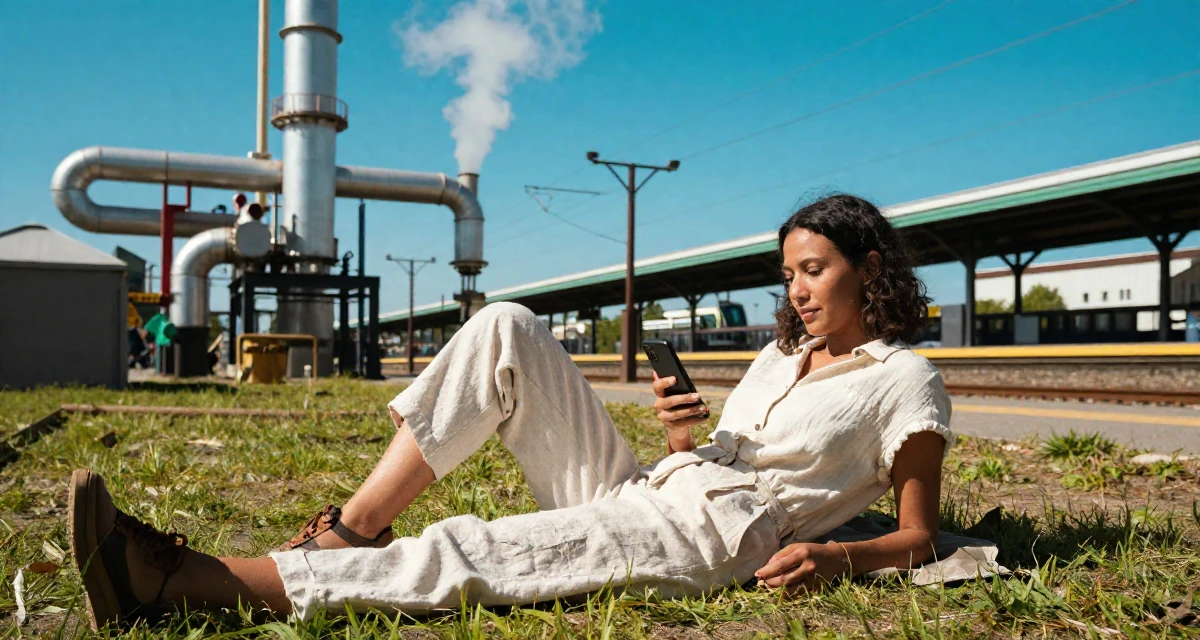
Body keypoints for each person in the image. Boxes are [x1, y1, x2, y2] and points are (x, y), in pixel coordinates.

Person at [68, 194, 952, 630]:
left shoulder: (905, 381)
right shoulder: (780, 355)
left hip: (727, 536)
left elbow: (917, 536)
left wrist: (836, 556)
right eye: (790, 272)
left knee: (477, 547)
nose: (797, 291)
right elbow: (714, 452)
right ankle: (354, 528)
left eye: (816, 270)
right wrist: (681, 435)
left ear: (870, 268)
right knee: (504, 327)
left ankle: (187, 583)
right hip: (662, 486)